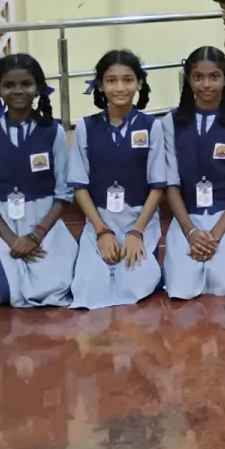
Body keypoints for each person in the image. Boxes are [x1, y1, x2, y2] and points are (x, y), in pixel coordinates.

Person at [0, 54, 77, 307]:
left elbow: (64, 193)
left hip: (45, 224)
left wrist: (34, 236)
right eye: (9, 85)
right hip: (5, 224)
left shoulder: (54, 132)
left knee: (53, 289)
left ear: (38, 88)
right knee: (6, 293)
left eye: (26, 84)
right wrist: (13, 240)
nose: (18, 91)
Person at [67, 50, 166, 309]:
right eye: (111, 80)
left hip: (139, 219)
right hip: (101, 220)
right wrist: (102, 231)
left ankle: (153, 272)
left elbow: (157, 187)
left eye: (128, 80)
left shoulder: (152, 126)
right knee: (88, 288)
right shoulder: (85, 128)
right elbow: (79, 186)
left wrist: (136, 232)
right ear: (100, 85)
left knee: (133, 286)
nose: (120, 87)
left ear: (139, 83)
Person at [161, 46, 225, 299]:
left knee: (222, 281)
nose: (206, 85)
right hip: (187, 216)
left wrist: (214, 235)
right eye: (198, 77)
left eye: (214, 77)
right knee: (181, 287)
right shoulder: (171, 122)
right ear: (188, 79)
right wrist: (190, 232)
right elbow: (171, 184)